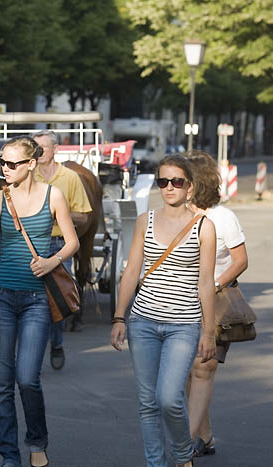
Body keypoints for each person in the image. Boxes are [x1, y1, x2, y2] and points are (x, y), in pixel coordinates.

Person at [0, 136, 78, 467]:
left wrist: (52, 260)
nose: (5, 169)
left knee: (28, 378)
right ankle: (8, 456)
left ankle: (37, 441)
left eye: (12, 163)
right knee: (1, 386)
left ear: (31, 164)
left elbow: (72, 242)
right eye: (3, 162)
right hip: (0, 298)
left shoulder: (53, 195)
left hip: (37, 300)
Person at [110, 154, 217, 467]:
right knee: (147, 403)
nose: (169, 187)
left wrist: (208, 332)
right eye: (163, 181)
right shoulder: (146, 220)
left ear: (190, 187)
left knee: (168, 398)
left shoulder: (203, 227)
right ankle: (155, 463)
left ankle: (183, 453)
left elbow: (206, 284)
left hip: (183, 325)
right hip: (143, 321)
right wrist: (119, 317)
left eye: (177, 181)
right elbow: (131, 271)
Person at [184, 150, 249, 457]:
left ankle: (189, 440)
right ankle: (204, 436)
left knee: (202, 367)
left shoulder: (223, 217)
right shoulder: (179, 213)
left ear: (198, 182)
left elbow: (240, 261)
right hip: (181, 302)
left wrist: (214, 285)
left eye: (182, 178)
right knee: (188, 373)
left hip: (216, 305)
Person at [32, 130, 92, 370]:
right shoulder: (28, 176)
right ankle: (33, 350)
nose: (38, 153)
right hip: (32, 244)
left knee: (55, 300)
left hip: (59, 244)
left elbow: (84, 217)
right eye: (35, 149)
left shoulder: (70, 178)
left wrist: (59, 213)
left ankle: (56, 343)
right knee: (31, 300)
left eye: (42, 148)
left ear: (55, 149)